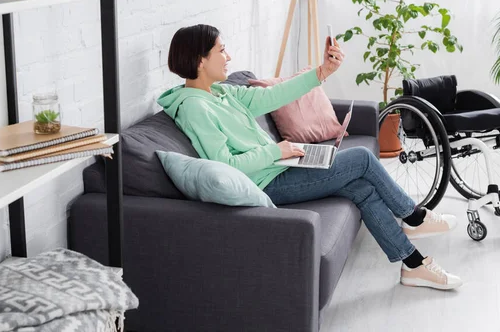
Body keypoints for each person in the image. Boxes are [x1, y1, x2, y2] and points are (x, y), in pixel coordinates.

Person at [157, 24, 462, 290]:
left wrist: (322, 72)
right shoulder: (196, 107)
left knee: (362, 189)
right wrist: (276, 150)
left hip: (279, 167)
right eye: (221, 51)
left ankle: (413, 265)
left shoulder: (220, 93)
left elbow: (271, 97)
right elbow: (225, 165)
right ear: (200, 61)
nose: (229, 57)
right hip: (267, 183)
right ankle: (415, 217)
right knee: (361, 159)